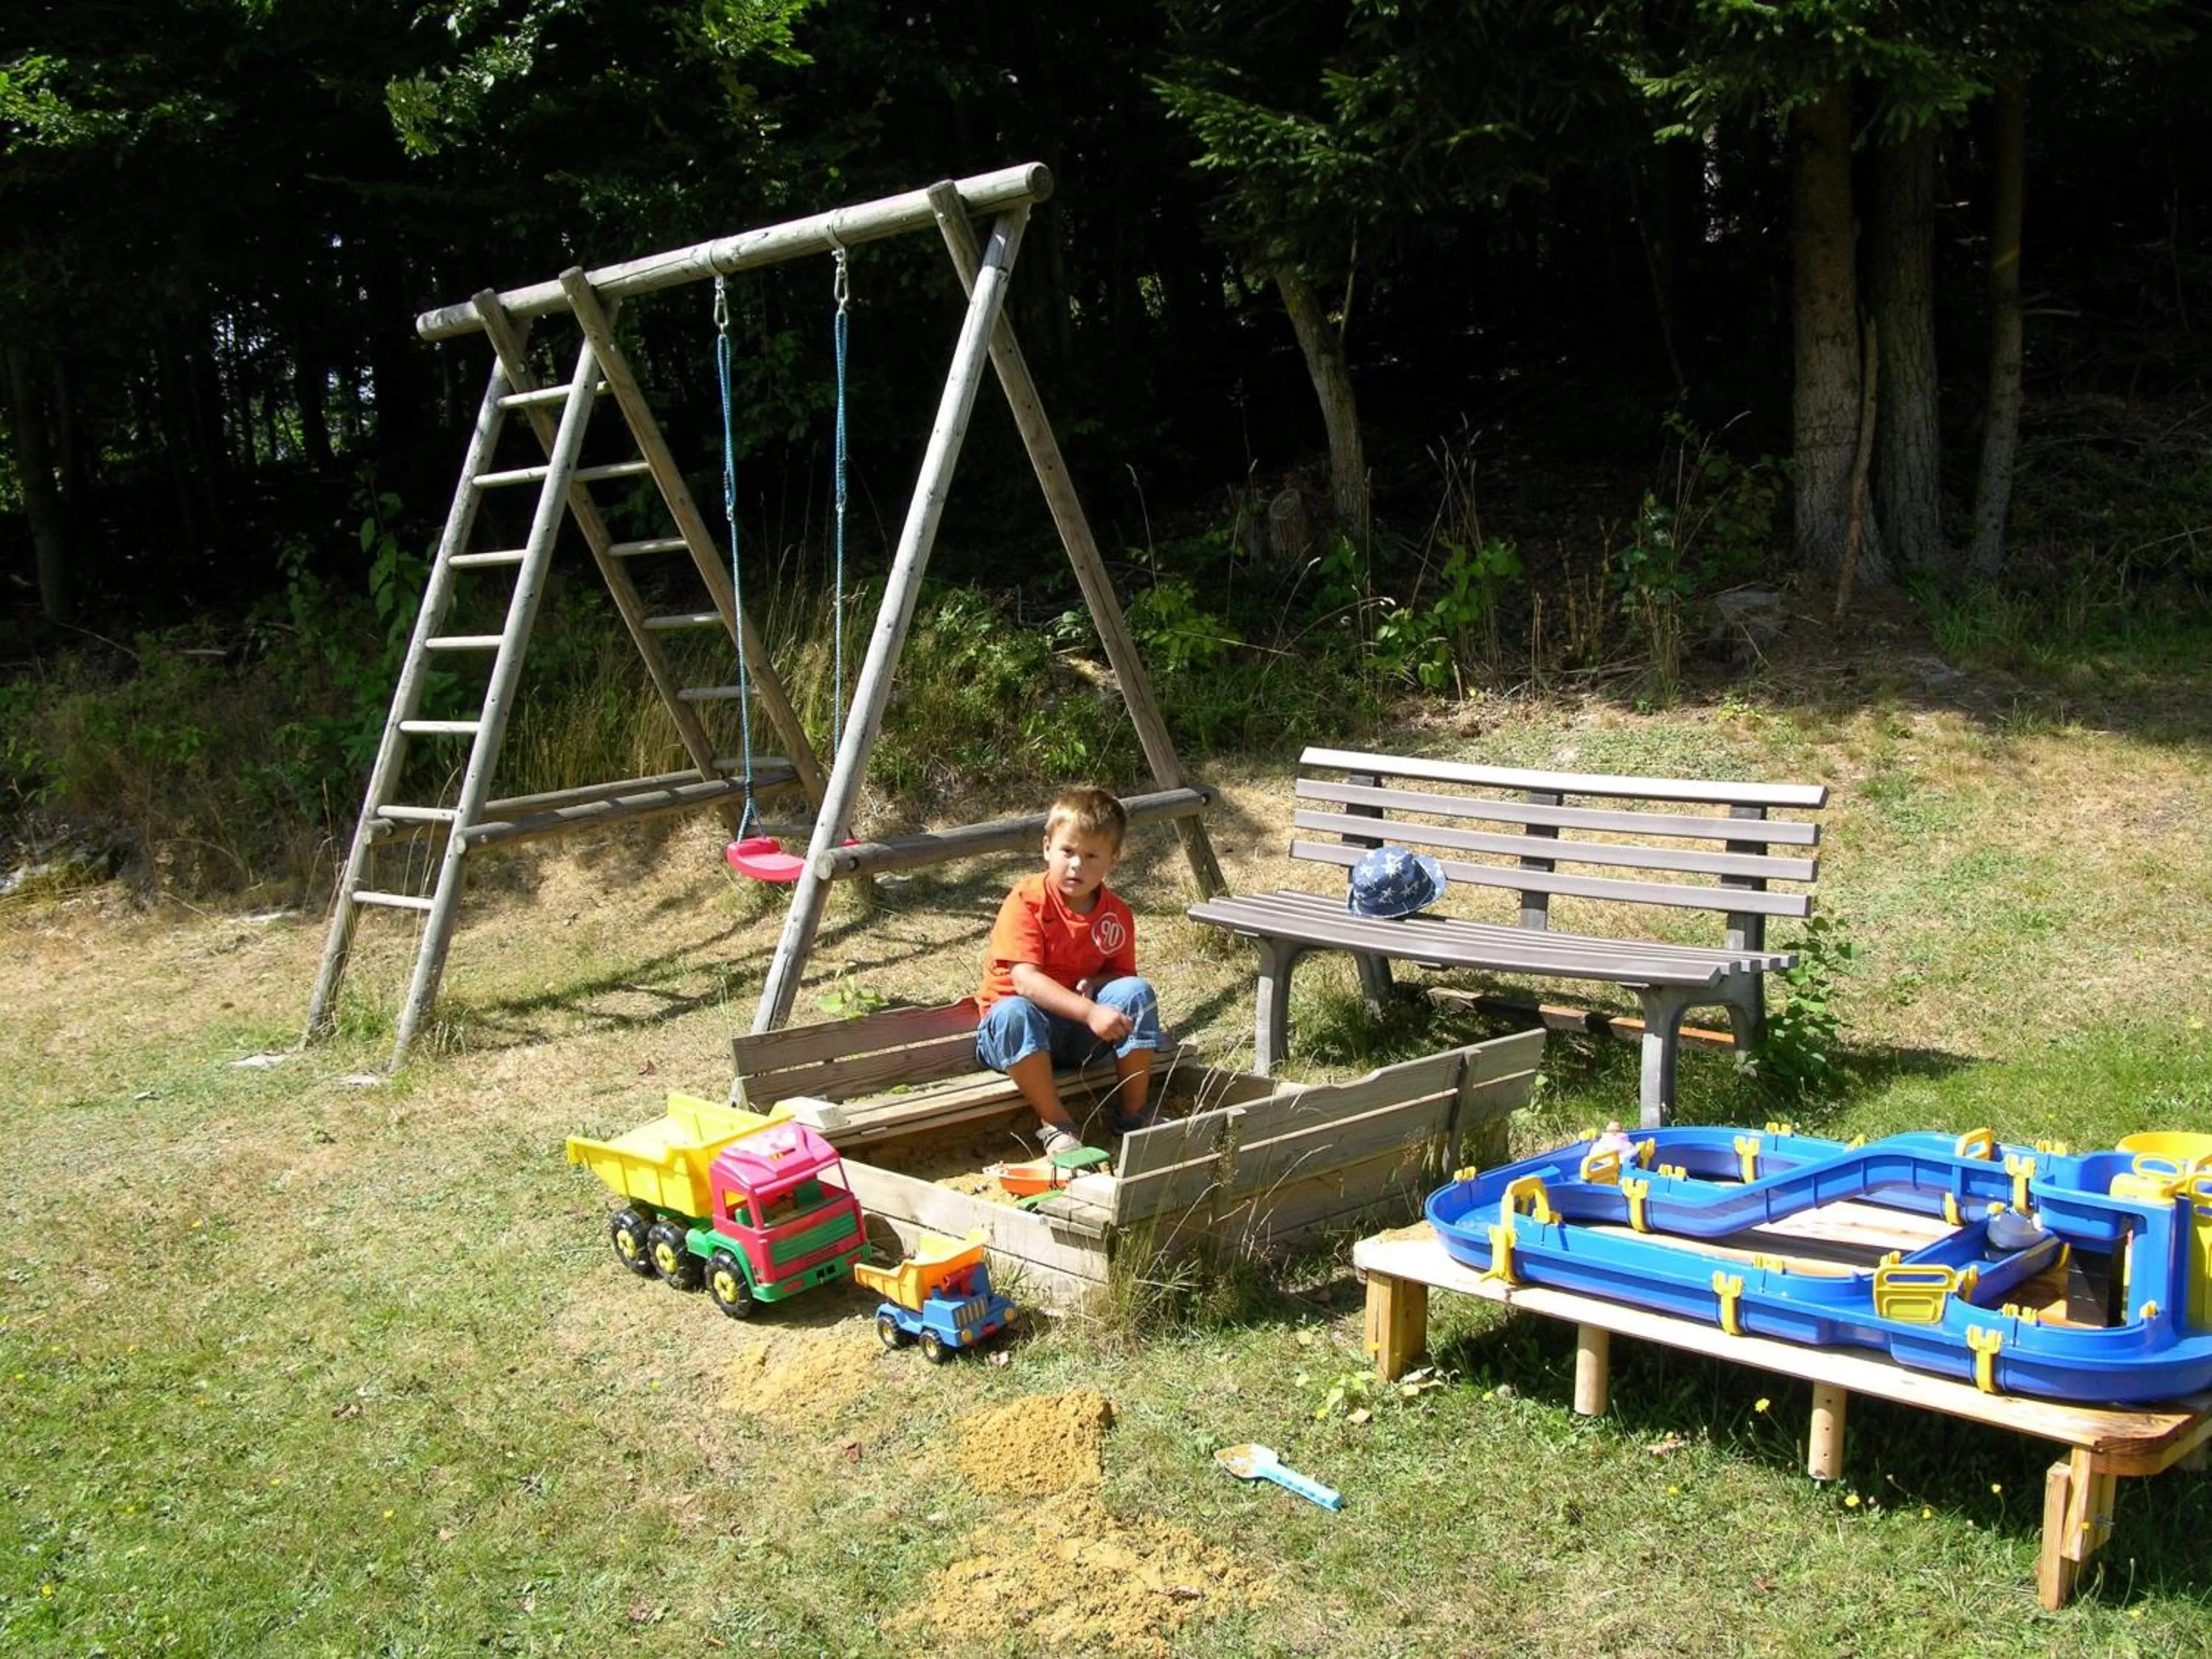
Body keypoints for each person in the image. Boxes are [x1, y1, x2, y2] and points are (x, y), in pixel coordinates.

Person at [974, 786, 1162, 1158]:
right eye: (1068, 851)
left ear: (1113, 860)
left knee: (1136, 993)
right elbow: (1024, 981)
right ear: (1047, 847)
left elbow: (1120, 977)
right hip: (1016, 1037)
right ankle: (1057, 1124)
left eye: (1092, 856)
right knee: (1014, 1011)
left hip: (1077, 1035)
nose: (1077, 865)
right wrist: (1091, 1011)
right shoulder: (1026, 901)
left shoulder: (1117, 914)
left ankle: (1133, 1115)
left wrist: (1097, 985)